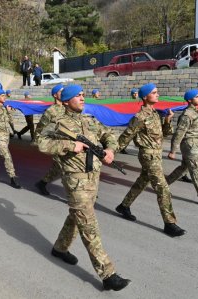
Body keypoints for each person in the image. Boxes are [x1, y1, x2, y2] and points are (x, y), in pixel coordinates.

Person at [38, 84, 130, 291]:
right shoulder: (56, 121)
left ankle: (60, 248)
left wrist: (110, 150)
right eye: (77, 96)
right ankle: (108, 274)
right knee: (88, 223)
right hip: (74, 179)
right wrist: (71, 146)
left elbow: (109, 135)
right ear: (67, 100)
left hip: (93, 177)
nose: (82, 98)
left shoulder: (88, 119)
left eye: (83, 95)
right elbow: (40, 143)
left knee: (77, 215)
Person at [115, 83, 185, 237]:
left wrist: (168, 120)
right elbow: (126, 136)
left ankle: (124, 206)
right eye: (154, 92)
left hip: (156, 154)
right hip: (147, 155)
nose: (157, 94)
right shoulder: (139, 117)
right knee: (163, 188)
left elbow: (164, 134)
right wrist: (110, 152)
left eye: (157, 92)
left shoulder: (155, 114)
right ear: (145, 97)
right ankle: (169, 223)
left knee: (142, 181)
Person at [165, 89, 198, 208]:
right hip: (189, 145)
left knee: (184, 168)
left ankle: (163, 185)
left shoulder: (197, 112)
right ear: (189, 100)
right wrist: (173, 151)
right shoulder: (187, 115)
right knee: (197, 169)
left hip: (197, 144)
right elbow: (179, 134)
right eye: (197, 97)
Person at [34, 84, 64, 195]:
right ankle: (80, 192)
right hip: (56, 143)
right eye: (61, 91)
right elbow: (41, 126)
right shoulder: (51, 111)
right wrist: (38, 141)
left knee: (57, 167)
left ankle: (42, 183)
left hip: (68, 142)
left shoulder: (68, 107)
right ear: (55, 95)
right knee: (64, 167)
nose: (64, 93)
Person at [119, 88, 139, 155]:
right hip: (132, 123)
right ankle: (121, 148)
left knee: (137, 137)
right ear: (132, 94)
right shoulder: (129, 102)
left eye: (136, 93)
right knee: (128, 136)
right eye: (134, 93)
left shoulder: (140, 102)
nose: (135, 94)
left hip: (138, 122)